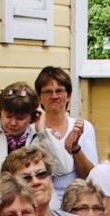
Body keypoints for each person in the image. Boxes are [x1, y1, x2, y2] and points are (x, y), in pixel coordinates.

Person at [0, 81, 72, 175]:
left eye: (20, 118)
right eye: (8, 116)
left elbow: (64, 169)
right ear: (0, 112)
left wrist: (42, 132)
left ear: (33, 116)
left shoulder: (41, 137)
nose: (13, 123)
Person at [34, 64, 95, 193]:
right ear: (39, 98)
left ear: (69, 96)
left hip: (76, 199)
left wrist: (75, 148)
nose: (54, 96)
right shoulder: (33, 129)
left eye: (59, 91)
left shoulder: (83, 127)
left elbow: (91, 177)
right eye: (48, 92)